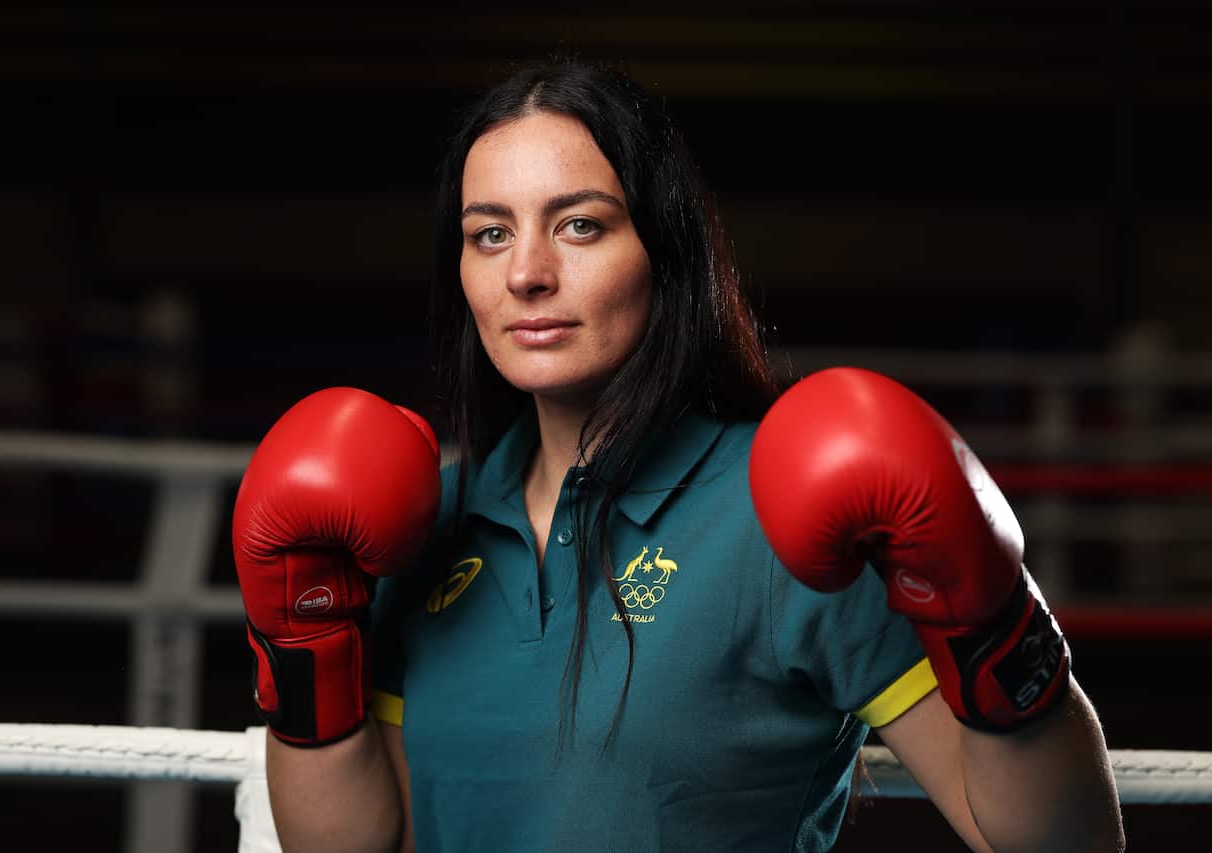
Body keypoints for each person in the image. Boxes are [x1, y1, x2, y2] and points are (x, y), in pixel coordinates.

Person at [231, 61, 1125, 852]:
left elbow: (1066, 840)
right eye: (490, 233)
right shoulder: (427, 518)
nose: (525, 274)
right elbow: (359, 843)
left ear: (665, 252)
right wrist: (299, 643)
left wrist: (995, 617)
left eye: (579, 225)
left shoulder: (779, 515)